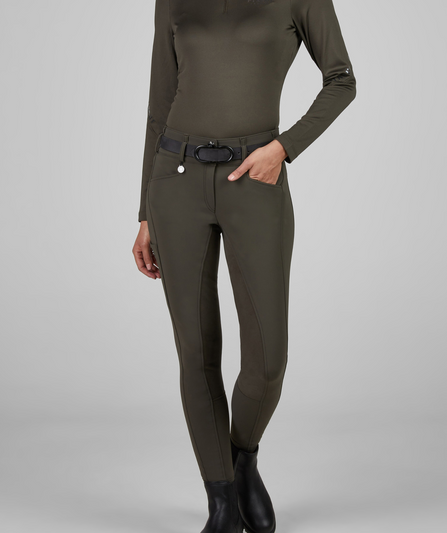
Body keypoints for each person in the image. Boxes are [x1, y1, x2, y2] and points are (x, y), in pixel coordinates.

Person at [132, 0, 357, 531]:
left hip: (255, 179)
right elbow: (159, 103)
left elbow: (342, 81)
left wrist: (284, 148)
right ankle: (220, 504)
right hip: (175, 180)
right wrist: (144, 213)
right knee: (196, 351)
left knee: (267, 359)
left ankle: (242, 460)